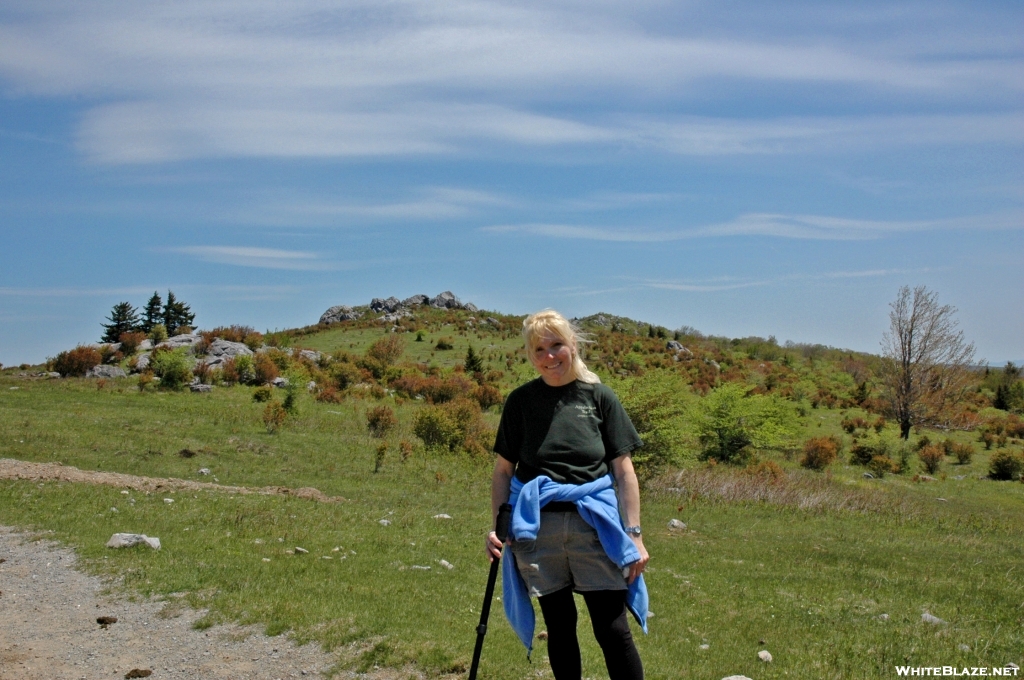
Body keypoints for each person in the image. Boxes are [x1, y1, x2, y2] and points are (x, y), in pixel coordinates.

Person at [487, 309, 648, 680]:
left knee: (612, 629)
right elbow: (502, 472)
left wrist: (635, 535)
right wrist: (498, 525)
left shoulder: (600, 398)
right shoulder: (520, 402)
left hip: (595, 526)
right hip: (536, 529)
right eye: (539, 349)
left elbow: (624, 472)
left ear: (572, 345)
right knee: (559, 627)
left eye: (556, 345)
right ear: (530, 355)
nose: (549, 356)